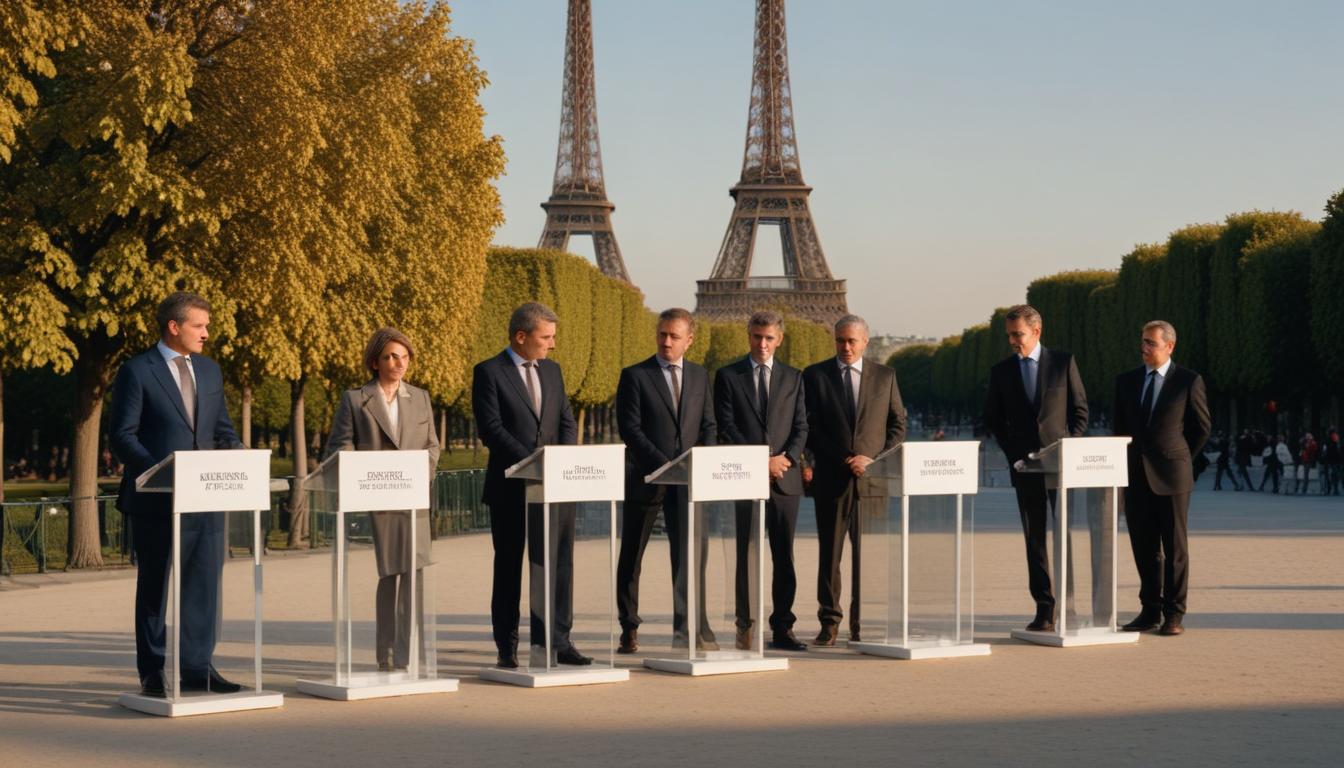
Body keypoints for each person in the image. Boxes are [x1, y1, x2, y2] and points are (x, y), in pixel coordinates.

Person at [109, 292, 245, 698]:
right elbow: (122, 436)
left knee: (203, 586)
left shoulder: (210, 371)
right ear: (174, 327)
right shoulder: (136, 371)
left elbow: (222, 429)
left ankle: (197, 669)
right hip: (156, 501)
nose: (206, 333)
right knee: (155, 587)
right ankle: (152, 671)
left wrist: (237, 453)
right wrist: (158, 472)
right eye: (199, 325)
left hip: (205, 499)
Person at [472, 303, 588, 669]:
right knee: (508, 568)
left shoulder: (553, 371)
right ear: (521, 337)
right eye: (546, 337)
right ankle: (507, 646)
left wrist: (562, 462)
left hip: (555, 486)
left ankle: (557, 641)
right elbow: (491, 428)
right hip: (511, 487)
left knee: (558, 566)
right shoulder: (489, 372)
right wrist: (533, 463)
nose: (552, 345)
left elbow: (566, 421)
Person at [325, 327, 440, 672]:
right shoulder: (355, 399)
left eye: (404, 356)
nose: (398, 362)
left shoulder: (420, 397)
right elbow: (340, 447)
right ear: (375, 361)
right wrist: (366, 477)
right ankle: (386, 655)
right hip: (378, 497)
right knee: (390, 574)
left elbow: (432, 446)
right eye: (391, 356)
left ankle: (411, 656)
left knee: (415, 574)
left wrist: (420, 476)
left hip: (413, 497)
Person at [615, 308, 717, 653]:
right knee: (632, 556)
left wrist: (698, 461)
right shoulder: (635, 375)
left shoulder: (701, 376)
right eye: (662, 334)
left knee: (687, 557)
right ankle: (629, 627)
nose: (666, 341)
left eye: (674, 336)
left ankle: (686, 626)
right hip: (647, 476)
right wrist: (664, 464)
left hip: (689, 481)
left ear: (689, 340)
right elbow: (630, 428)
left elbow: (709, 426)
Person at [983, 304, 1088, 633]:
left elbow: (1080, 410)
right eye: (1010, 335)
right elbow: (993, 419)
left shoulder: (1063, 362)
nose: (1013, 340)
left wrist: (1067, 447)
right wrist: (1015, 453)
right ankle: (1044, 605)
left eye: (1018, 334)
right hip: (1024, 465)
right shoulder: (1001, 371)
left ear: (1037, 331)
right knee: (1034, 538)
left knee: (1064, 536)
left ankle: (1069, 604)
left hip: (1061, 466)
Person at [802, 314, 906, 646]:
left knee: (866, 557)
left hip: (872, 481)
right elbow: (810, 427)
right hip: (832, 478)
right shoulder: (815, 375)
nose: (845, 347)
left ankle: (861, 623)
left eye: (851, 341)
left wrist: (873, 461)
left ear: (866, 341)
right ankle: (829, 622)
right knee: (829, 556)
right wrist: (844, 458)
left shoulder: (885, 376)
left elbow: (897, 424)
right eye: (840, 341)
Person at [713, 311, 809, 651]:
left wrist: (785, 459)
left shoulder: (794, 377)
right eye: (757, 337)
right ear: (748, 336)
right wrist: (760, 460)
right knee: (746, 555)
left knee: (784, 557)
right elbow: (726, 425)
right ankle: (745, 626)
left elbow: (801, 426)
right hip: (746, 477)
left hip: (784, 478)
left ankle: (783, 628)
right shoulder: (728, 376)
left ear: (779, 339)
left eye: (769, 338)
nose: (763, 343)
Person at [1113, 321, 1211, 636]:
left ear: (1169, 346)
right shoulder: (1125, 382)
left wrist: (1181, 459)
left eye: (1150, 343)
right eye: (1142, 342)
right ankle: (1149, 610)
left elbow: (1201, 428)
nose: (1144, 348)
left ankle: (1174, 614)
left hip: (1173, 476)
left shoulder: (1188, 381)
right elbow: (1119, 431)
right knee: (1144, 547)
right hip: (1136, 477)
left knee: (1175, 549)